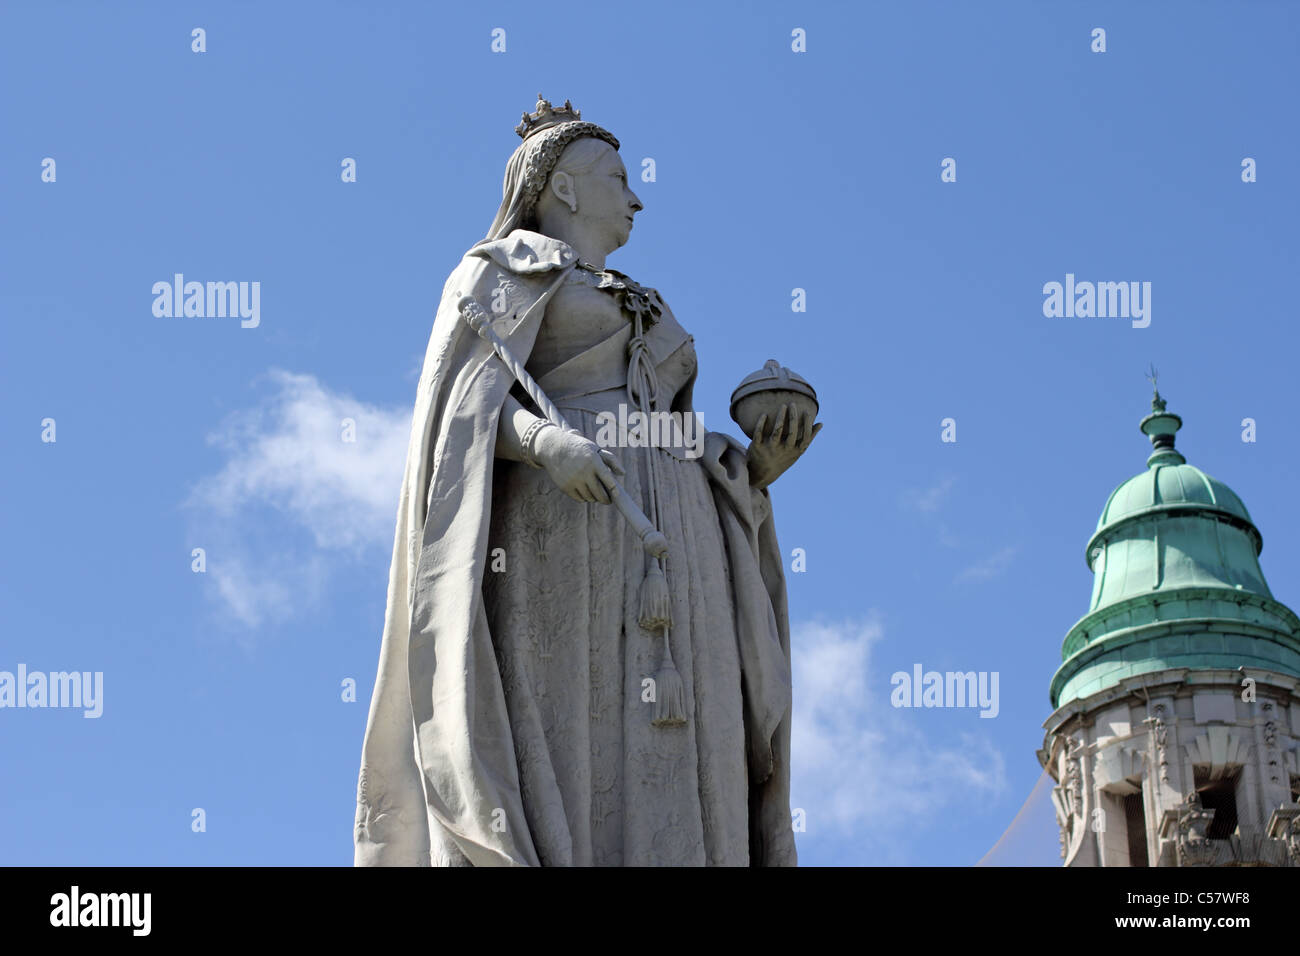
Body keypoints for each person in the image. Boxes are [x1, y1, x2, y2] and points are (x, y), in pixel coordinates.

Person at [355, 96, 819, 866]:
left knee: (688, 749)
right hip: (557, 533)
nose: (635, 196)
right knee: (577, 733)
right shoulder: (496, 272)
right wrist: (542, 440)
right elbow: (454, 416)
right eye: (617, 177)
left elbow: (671, 427)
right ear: (563, 189)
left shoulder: (647, 303)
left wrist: (753, 471)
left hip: (678, 549)